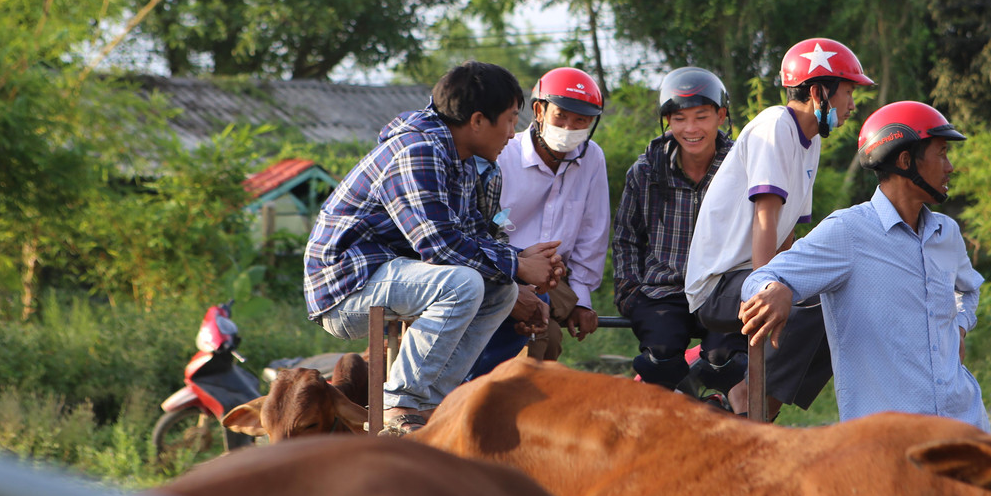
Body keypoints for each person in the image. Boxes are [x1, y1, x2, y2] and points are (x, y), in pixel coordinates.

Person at [303, 61, 560, 435]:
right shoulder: (417, 149)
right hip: (347, 286)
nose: (512, 133)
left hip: (392, 275)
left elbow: (474, 238)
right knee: (464, 284)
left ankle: (434, 400)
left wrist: (519, 265)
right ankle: (401, 401)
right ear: (476, 120)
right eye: (509, 119)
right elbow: (439, 248)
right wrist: (520, 266)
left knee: (501, 291)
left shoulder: (465, 161)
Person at [738, 101, 989, 431]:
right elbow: (762, 278)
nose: (950, 166)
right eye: (941, 153)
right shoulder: (847, 232)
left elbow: (968, 291)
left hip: (965, 422)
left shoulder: (947, 232)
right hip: (886, 441)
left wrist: (959, 326)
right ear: (905, 160)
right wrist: (777, 290)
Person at [684, 38, 874, 418]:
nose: (852, 105)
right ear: (820, 91)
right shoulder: (775, 126)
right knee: (823, 298)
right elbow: (766, 219)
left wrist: (795, 278)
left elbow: (788, 234)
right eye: (848, 91)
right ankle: (749, 397)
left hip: (752, 273)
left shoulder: (810, 141)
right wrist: (768, 287)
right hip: (719, 285)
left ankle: (759, 408)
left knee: (846, 294)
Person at [468, 66, 610, 376]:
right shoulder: (504, 153)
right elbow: (484, 225)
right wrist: (513, 275)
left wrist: (583, 299)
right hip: (501, 265)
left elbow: (592, 233)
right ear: (539, 110)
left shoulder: (592, 158)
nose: (569, 126)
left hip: (557, 276)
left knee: (539, 334)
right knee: (540, 336)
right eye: (561, 116)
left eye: (581, 120)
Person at [612, 66, 742, 396]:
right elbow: (626, 237)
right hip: (664, 290)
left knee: (725, 363)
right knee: (660, 359)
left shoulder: (742, 165)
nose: (691, 128)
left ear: (721, 115)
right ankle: (669, 408)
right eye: (680, 118)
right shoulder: (646, 171)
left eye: (701, 116)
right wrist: (628, 291)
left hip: (721, 289)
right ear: (667, 121)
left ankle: (710, 403)